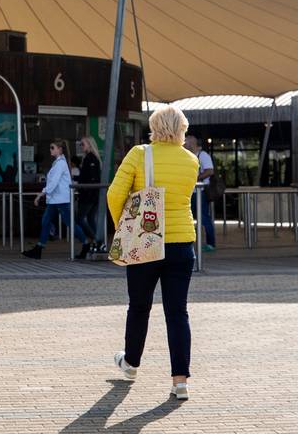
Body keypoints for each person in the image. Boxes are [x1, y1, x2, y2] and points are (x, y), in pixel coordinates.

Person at [107, 105, 201, 401]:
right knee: (177, 312)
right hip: (181, 243)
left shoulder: (139, 154)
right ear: (181, 129)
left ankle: (131, 363)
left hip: (146, 241)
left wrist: (123, 226)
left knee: (139, 306)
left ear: (155, 127)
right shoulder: (191, 160)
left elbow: (114, 194)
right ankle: (180, 381)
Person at [22, 139, 87, 260]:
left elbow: (53, 182)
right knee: (46, 221)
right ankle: (39, 248)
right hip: (56, 199)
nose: (50, 150)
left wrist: (41, 194)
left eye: (52, 148)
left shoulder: (60, 164)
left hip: (60, 199)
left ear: (60, 149)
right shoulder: (58, 163)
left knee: (69, 224)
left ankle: (86, 244)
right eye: (50, 148)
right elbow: (53, 182)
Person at [185, 134, 216, 252]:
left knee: (204, 217)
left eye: (186, 143)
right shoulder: (189, 155)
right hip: (191, 192)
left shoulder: (203, 155)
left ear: (192, 144)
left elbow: (210, 171)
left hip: (200, 192)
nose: (184, 145)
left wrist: (196, 178)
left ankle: (211, 243)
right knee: (190, 217)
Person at [75, 136, 104, 256]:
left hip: (89, 195)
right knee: (91, 218)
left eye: (83, 144)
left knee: (79, 219)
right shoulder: (90, 158)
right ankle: (98, 241)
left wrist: (83, 187)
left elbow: (91, 178)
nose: (81, 146)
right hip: (92, 194)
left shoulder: (90, 158)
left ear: (89, 145)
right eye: (80, 144)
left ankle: (97, 241)